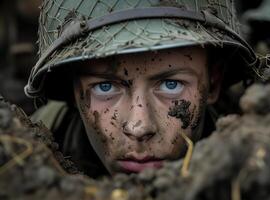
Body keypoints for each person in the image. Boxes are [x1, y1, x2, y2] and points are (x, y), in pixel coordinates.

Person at [25, 0, 258, 177]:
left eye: (171, 84)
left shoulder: (257, 160)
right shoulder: (27, 155)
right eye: (105, 87)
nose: (139, 127)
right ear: (73, 91)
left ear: (213, 83)